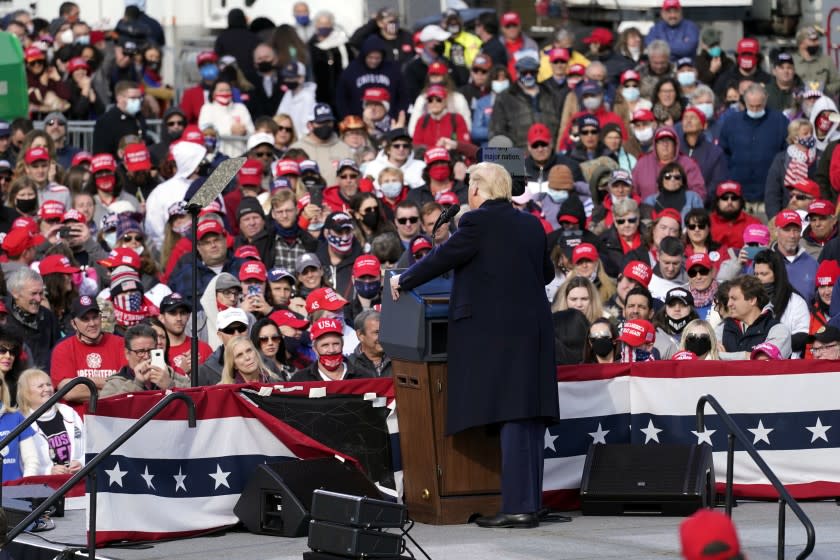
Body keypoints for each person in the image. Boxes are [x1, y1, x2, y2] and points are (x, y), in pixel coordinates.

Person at [391, 161, 558, 529]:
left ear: (479, 190)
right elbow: (546, 273)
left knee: (513, 414)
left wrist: (404, 278)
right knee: (529, 415)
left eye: (470, 186)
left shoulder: (477, 222)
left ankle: (516, 507)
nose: (468, 192)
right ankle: (531, 501)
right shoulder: (531, 223)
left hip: (497, 336)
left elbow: (442, 258)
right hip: (535, 332)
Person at [16, 368, 84, 475]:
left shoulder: (68, 412)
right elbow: (20, 463)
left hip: (76, 480)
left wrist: (81, 463)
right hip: (44, 487)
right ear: (26, 393)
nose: (47, 389)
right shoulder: (19, 421)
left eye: (48, 384)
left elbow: (88, 446)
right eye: (40, 386)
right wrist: (48, 471)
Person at [488, 54, 561, 149]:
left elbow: (561, 126)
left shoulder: (551, 94)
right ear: (518, 73)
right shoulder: (505, 98)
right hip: (520, 155)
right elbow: (497, 131)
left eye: (532, 72)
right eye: (524, 72)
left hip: (549, 151)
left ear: (538, 73)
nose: (529, 76)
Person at [101, 324, 190, 397]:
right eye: (140, 352)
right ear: (127, 353)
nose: (146, 357)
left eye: (151, 351)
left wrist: (171, 386)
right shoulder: (115, 383)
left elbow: (196, 400)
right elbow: (105, 412)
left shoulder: (172, 375)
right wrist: (137, 384)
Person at [716, 275, 792, 360]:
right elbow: (708, 356)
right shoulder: (722, 329)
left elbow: (764, 360)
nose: (729, 304)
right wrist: (746, 356)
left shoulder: (778, 330)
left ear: (752, 300)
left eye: (734, 298)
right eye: (729, 299)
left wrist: (723, 357)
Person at [5, 268, 61, 373]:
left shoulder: (48, 317)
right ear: (15, 293)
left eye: (41, 293)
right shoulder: (4, 318)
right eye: (33, 293)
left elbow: (57, 351)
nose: (39, 299)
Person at [290, 317, 365, 382]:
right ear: (315, 349)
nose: (331, 350)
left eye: (336, 344)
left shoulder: (363, 376)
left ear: (342, 345)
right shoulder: (300, 380)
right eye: (325, 345)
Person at [91, 80, 149, 156]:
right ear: (119, 98)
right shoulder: (106, 121)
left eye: (139, 98)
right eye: (133, 98)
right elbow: (101, 152)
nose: (137, 101)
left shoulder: (139, 117)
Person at [772, 210, 818, 304]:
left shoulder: (813, 265)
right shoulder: (762, 262)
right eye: (787, 230)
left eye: (796, 230)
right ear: (776, 231)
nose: (792, 235)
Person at [709, 181, 761, 250]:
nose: (729, 202)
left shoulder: (754, 224)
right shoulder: (706, 223)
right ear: (717, 202)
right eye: (725, 198)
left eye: (734, 198)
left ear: (741, 202)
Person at [792, 26, 840, 99]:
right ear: (801, 44)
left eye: (817, 39)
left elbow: (837, 82)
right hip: (800, 101)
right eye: (813, 40)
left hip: (824, 101)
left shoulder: (827, 60)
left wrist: (824, 90)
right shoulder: (792, 61)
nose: (817, 43)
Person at [347, 309, 391, 378]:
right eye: (377, 332)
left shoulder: (399, 361)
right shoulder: (349, 365)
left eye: (385, 331)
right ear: (360, 335)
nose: (383, 337)